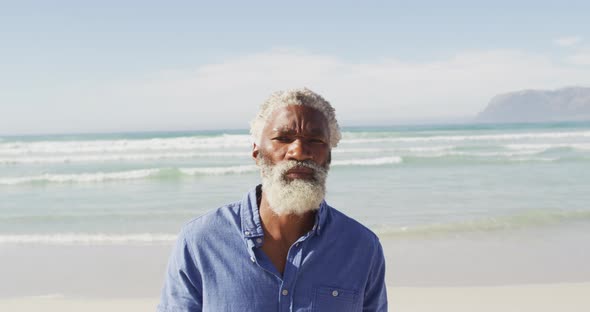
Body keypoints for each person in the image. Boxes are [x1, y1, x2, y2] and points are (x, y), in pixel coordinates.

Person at [157, 88, 387, 311]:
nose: (299, 151)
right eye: (283, 138)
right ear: (257, 152)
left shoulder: (361, 246)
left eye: (315, 140)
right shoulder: (201, 240)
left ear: (328, 155)